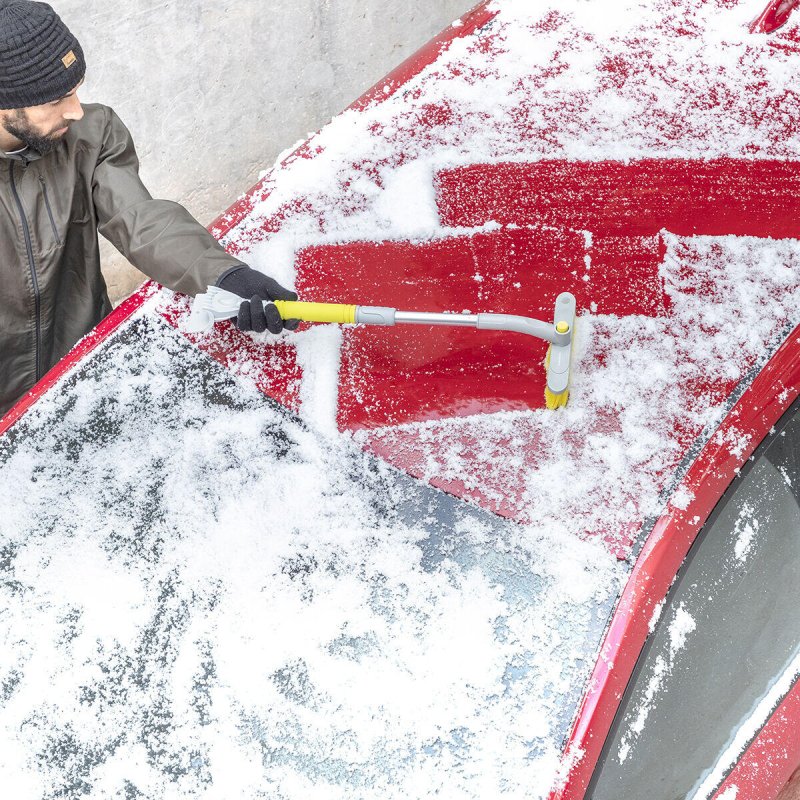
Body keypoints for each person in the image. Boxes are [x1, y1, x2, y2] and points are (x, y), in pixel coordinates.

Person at [0, 0, 297, 417]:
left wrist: (224, 275)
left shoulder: (90, 133)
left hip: (84, 372)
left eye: (76, 88)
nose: (76, 110)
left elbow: (140, 220)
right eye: (55, 99)